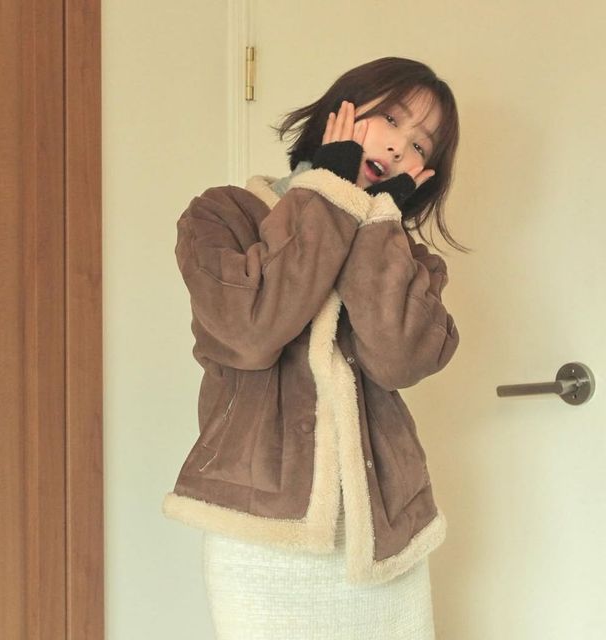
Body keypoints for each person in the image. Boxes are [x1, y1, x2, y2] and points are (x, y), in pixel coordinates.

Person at [163, 56, 463, 639]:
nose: (399, 147)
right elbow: (251, 332)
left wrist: (377, 221)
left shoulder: (410, 260)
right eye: (392, 118)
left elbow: (397, 359)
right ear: (343, 106)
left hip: (383, 538)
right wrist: (329, 189)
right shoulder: (223, 214)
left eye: (420, 145)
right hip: (260, 534)